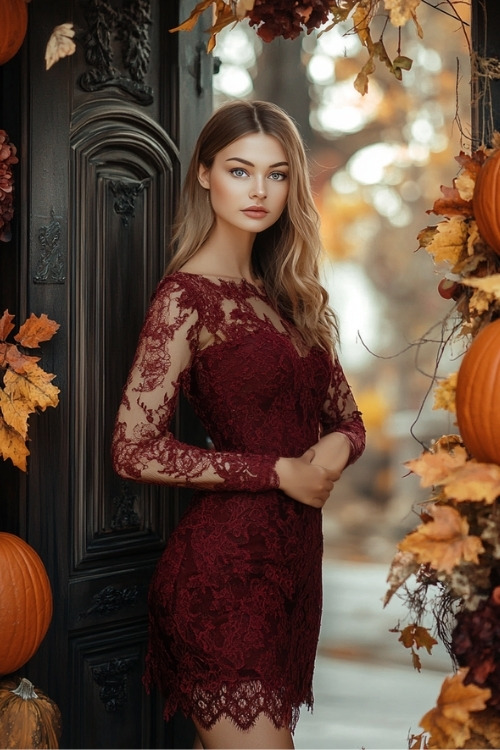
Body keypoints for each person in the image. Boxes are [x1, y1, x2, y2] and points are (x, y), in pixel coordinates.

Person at [112, 99, 365, 749]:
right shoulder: (186, 297)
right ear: (204, 174)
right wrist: (278, 470)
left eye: (277, 174)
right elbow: (134, 449)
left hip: (291, 579)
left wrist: (328, 457)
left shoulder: (290, 295)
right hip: (221, 581)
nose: (259, 190)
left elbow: (347, 419)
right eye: (240, 170)